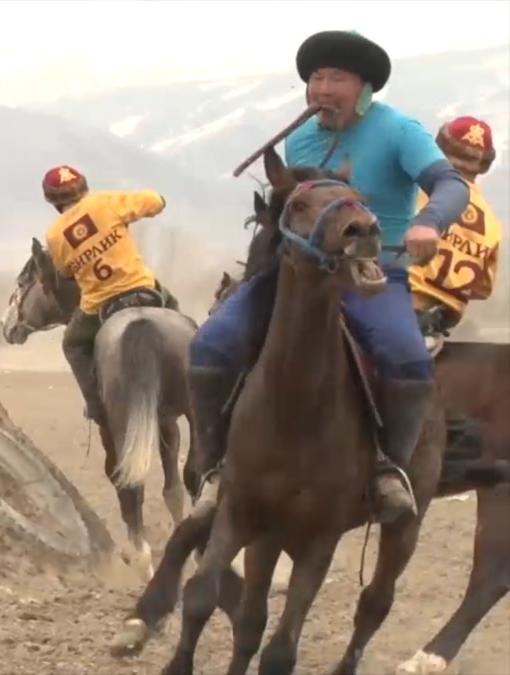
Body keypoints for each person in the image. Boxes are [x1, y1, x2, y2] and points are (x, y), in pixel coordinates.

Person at [188, 30, 471, 523]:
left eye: (335, 78)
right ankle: (213, 467)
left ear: (364, 88)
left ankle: (389, 472)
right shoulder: (300, 138)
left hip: (370, 272)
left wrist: (430, 222)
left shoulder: (399, 131)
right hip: (296, 275)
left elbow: (448, 183)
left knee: (406, 358)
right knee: (210, 344)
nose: (321, 88)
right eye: (316, 78)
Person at [41, 164, 180, 426]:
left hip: (99, 306)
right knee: (174, 311)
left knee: (72, 344)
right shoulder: (106, 203)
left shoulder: (54, 235)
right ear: (83, 187)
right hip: (144, 288)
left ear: (51, 200)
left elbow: (65, 270)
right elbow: (155, 202)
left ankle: (96, 405)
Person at [408, 115, 502, 344]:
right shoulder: (492, 225)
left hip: (399, 304)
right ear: (483, 165)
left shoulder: (416, 193)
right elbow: (482, 289)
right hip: (439, 322)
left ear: (438, 147)